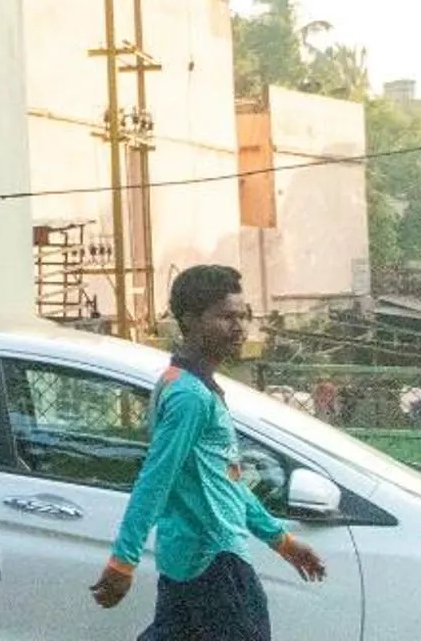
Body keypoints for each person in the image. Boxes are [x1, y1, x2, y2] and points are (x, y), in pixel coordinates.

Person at [92, 263, 328, 639]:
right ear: (190, 320)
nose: (239, 327)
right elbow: (156, 478)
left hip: (189, 560)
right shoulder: (190, 397)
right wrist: (124, 559)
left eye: (243, 316)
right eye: (226, 317)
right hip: (215, 561)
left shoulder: (188, 385)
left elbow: (225, 481)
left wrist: (281, 540)